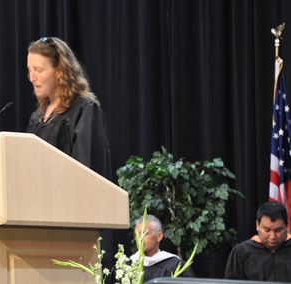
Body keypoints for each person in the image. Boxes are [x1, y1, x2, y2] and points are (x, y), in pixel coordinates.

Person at [26, 36, 112, 180]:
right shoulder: (37, 117)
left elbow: (87, 171)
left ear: (59, 71)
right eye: (29, 70)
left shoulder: (84, 110)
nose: (31, 77)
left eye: (38, 70)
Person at [224, 201, 291, 281]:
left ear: (287, 226)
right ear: (257, 225)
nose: (272, 237)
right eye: (267, 230)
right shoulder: (241, 252)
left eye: (278, 230)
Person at [130, 215, 195, 282]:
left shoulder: (176, 265)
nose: (140, 239)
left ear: (159, 236)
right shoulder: (129, 264)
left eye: (145, 234)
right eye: (137, 235)